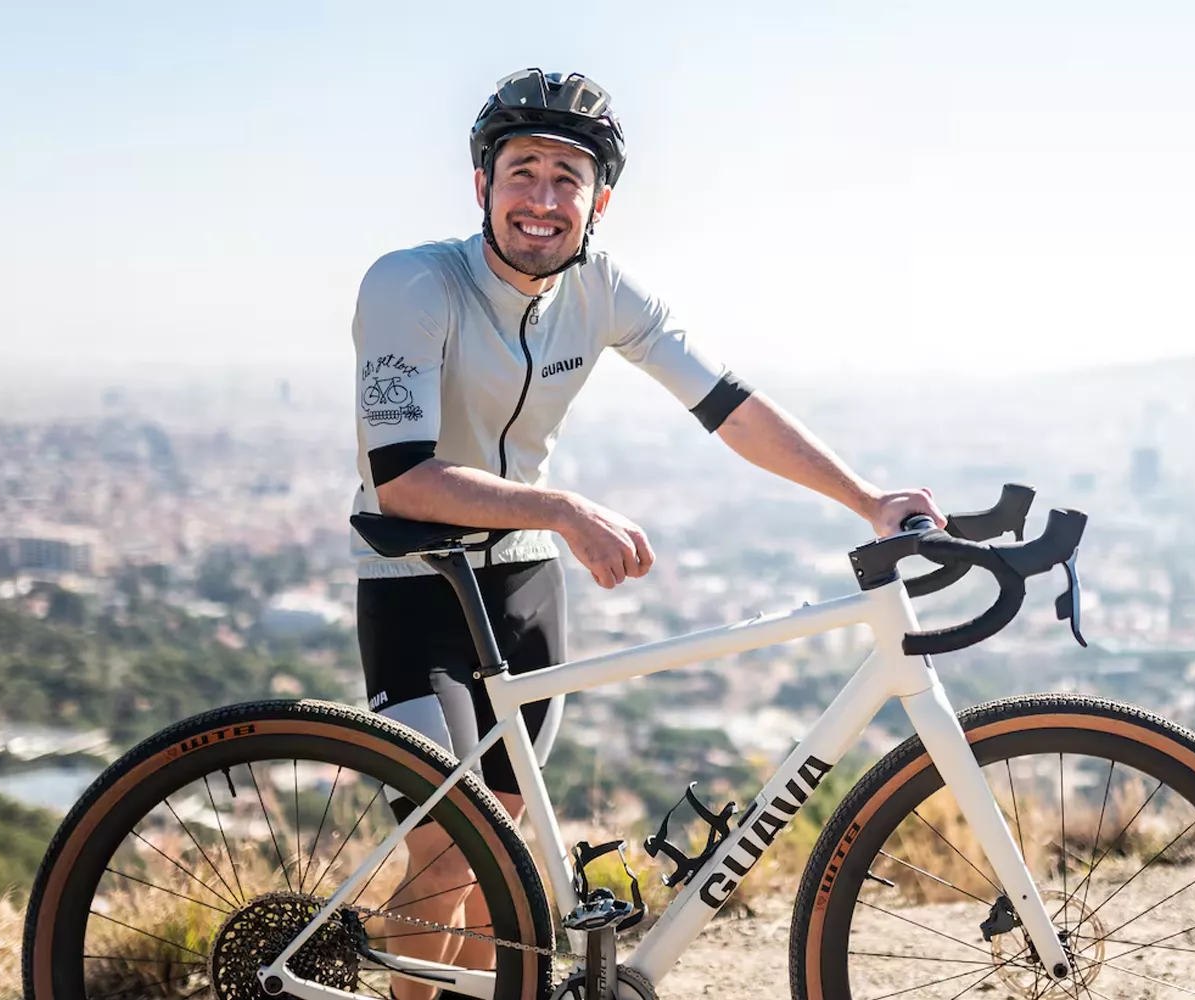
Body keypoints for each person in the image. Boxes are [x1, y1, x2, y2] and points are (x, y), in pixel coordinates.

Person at [350, 68, 945, 999]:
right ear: (482, 185)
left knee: (495, 858)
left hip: (521, 584)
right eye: (523, 173)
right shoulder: (412, 283)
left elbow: (729, 406)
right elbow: (404, 480)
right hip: (416, 578)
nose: (542, 201)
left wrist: (865, 498)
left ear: (599, 201)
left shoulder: (603, 288)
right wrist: (563, 508)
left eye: (566, 180)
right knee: (443, 854)